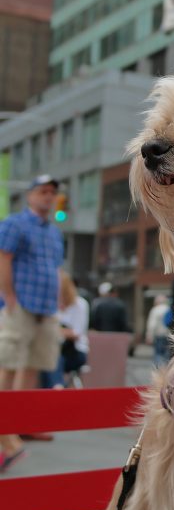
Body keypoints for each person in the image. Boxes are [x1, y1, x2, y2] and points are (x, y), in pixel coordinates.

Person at [0, 174, 65, 464]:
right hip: (21, 303)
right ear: (30, 195)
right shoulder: (15, 223)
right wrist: (9, 297)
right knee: (9, 365)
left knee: (33, 366)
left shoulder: (54, 232)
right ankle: (5, 429)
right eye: (42, 192)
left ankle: (20, 424)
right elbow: (4, 259)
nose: (48, 197)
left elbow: (56, 268)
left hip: (46, 307)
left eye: (52, 193)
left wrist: (59, 301)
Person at [40, 270, 89, 389]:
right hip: (51, 350)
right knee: (46, 359)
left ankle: (57, 388)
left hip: (74, 352)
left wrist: (54, 331)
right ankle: (55, 388)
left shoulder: (80, 304)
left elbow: (77, 333)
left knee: (53, 358)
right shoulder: (49, 305)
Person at [145, 293, 171, 366]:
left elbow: (152, 325)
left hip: (159, 335)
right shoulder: (168, 309)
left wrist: (149, 336)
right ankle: (166, 370)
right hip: (168, 335)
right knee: (167, 354)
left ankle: (159, 370)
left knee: (158, 353)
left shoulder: (155, 310)